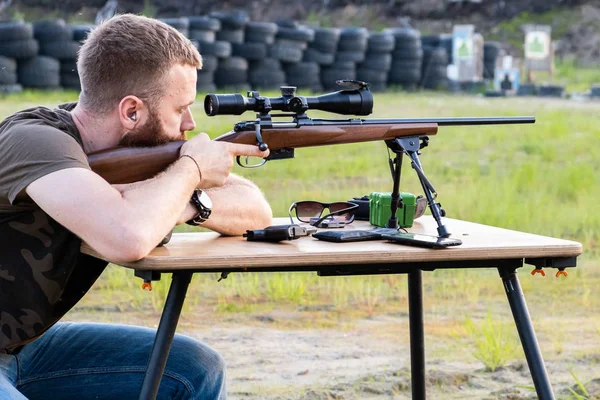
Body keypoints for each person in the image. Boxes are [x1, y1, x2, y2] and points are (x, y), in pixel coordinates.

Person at [0, 14, 272, 399]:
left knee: (195, 370)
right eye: (180, 109)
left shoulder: (122, 152)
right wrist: (191, 169)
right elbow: (127, 238)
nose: (190, 125)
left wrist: (184, 200)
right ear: (131, 112)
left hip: (23, 347)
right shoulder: (36, 142)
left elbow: (254, 208)